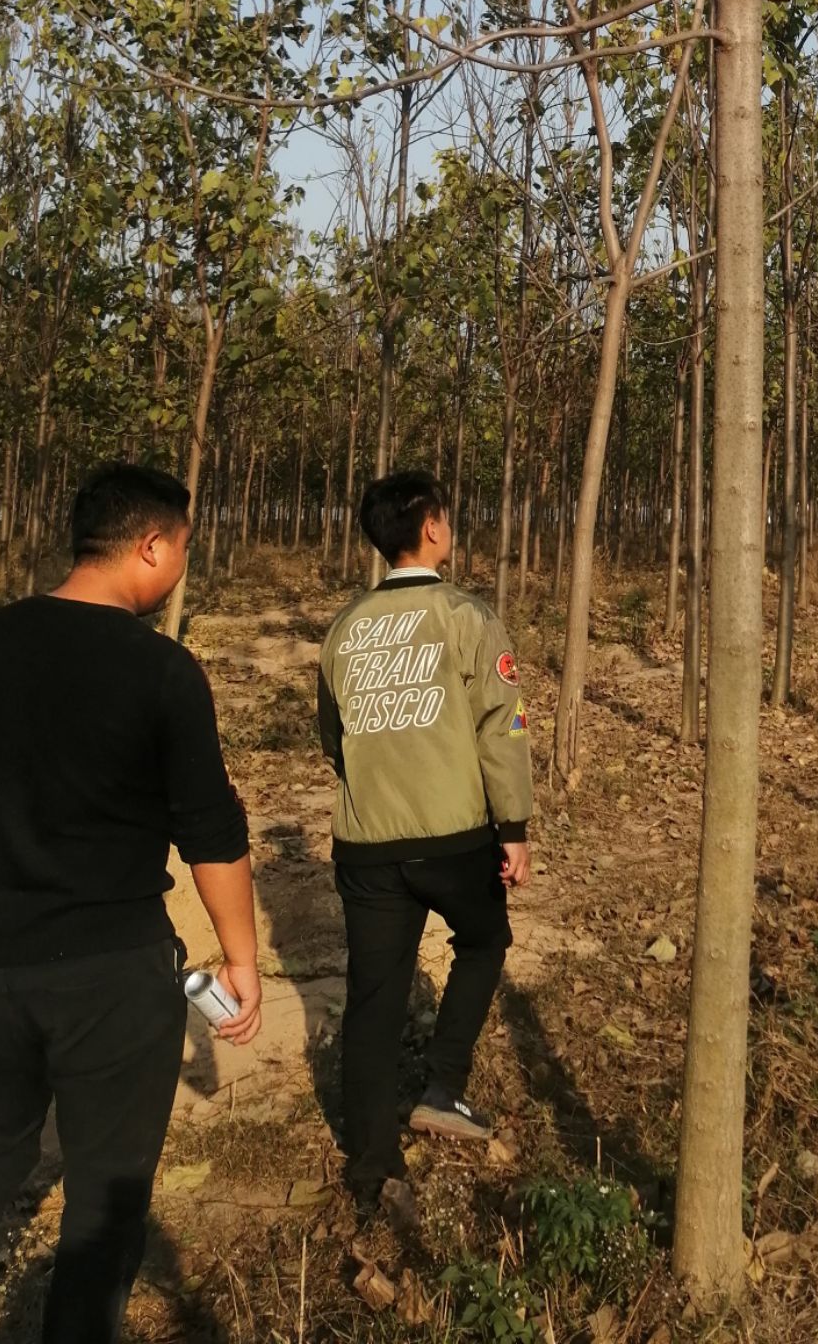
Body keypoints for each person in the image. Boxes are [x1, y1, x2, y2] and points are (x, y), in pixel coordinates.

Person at [0, 463, 259, 1344]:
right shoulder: (163, 671)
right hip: (113, 972)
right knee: (106, 1190)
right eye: (180, 548)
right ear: (149, 545)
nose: (180, 564)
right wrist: (241, 956)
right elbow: (211, 832)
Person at [318, 471, 533, 1224]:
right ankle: (443, 1085)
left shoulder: (344, 630)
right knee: (484, 939)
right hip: (453, 837)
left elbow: (333, 738)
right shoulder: (465, 617)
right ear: (434, 528)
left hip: (367, 845)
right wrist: (514, 830)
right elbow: (501, 731)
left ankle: (372, 1166)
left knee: (373, 998)